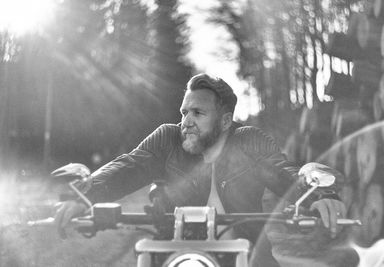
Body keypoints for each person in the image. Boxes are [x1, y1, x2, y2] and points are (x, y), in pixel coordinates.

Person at [55, 73, 346, 267]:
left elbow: (283, 171)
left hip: (246, 253)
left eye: (198, 113)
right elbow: (130, 164)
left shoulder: (248, 141)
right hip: (174, 252)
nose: (186, 121)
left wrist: (318, 193)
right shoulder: (167, 138)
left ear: (224, 121)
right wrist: (85, 192)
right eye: (184, 112)